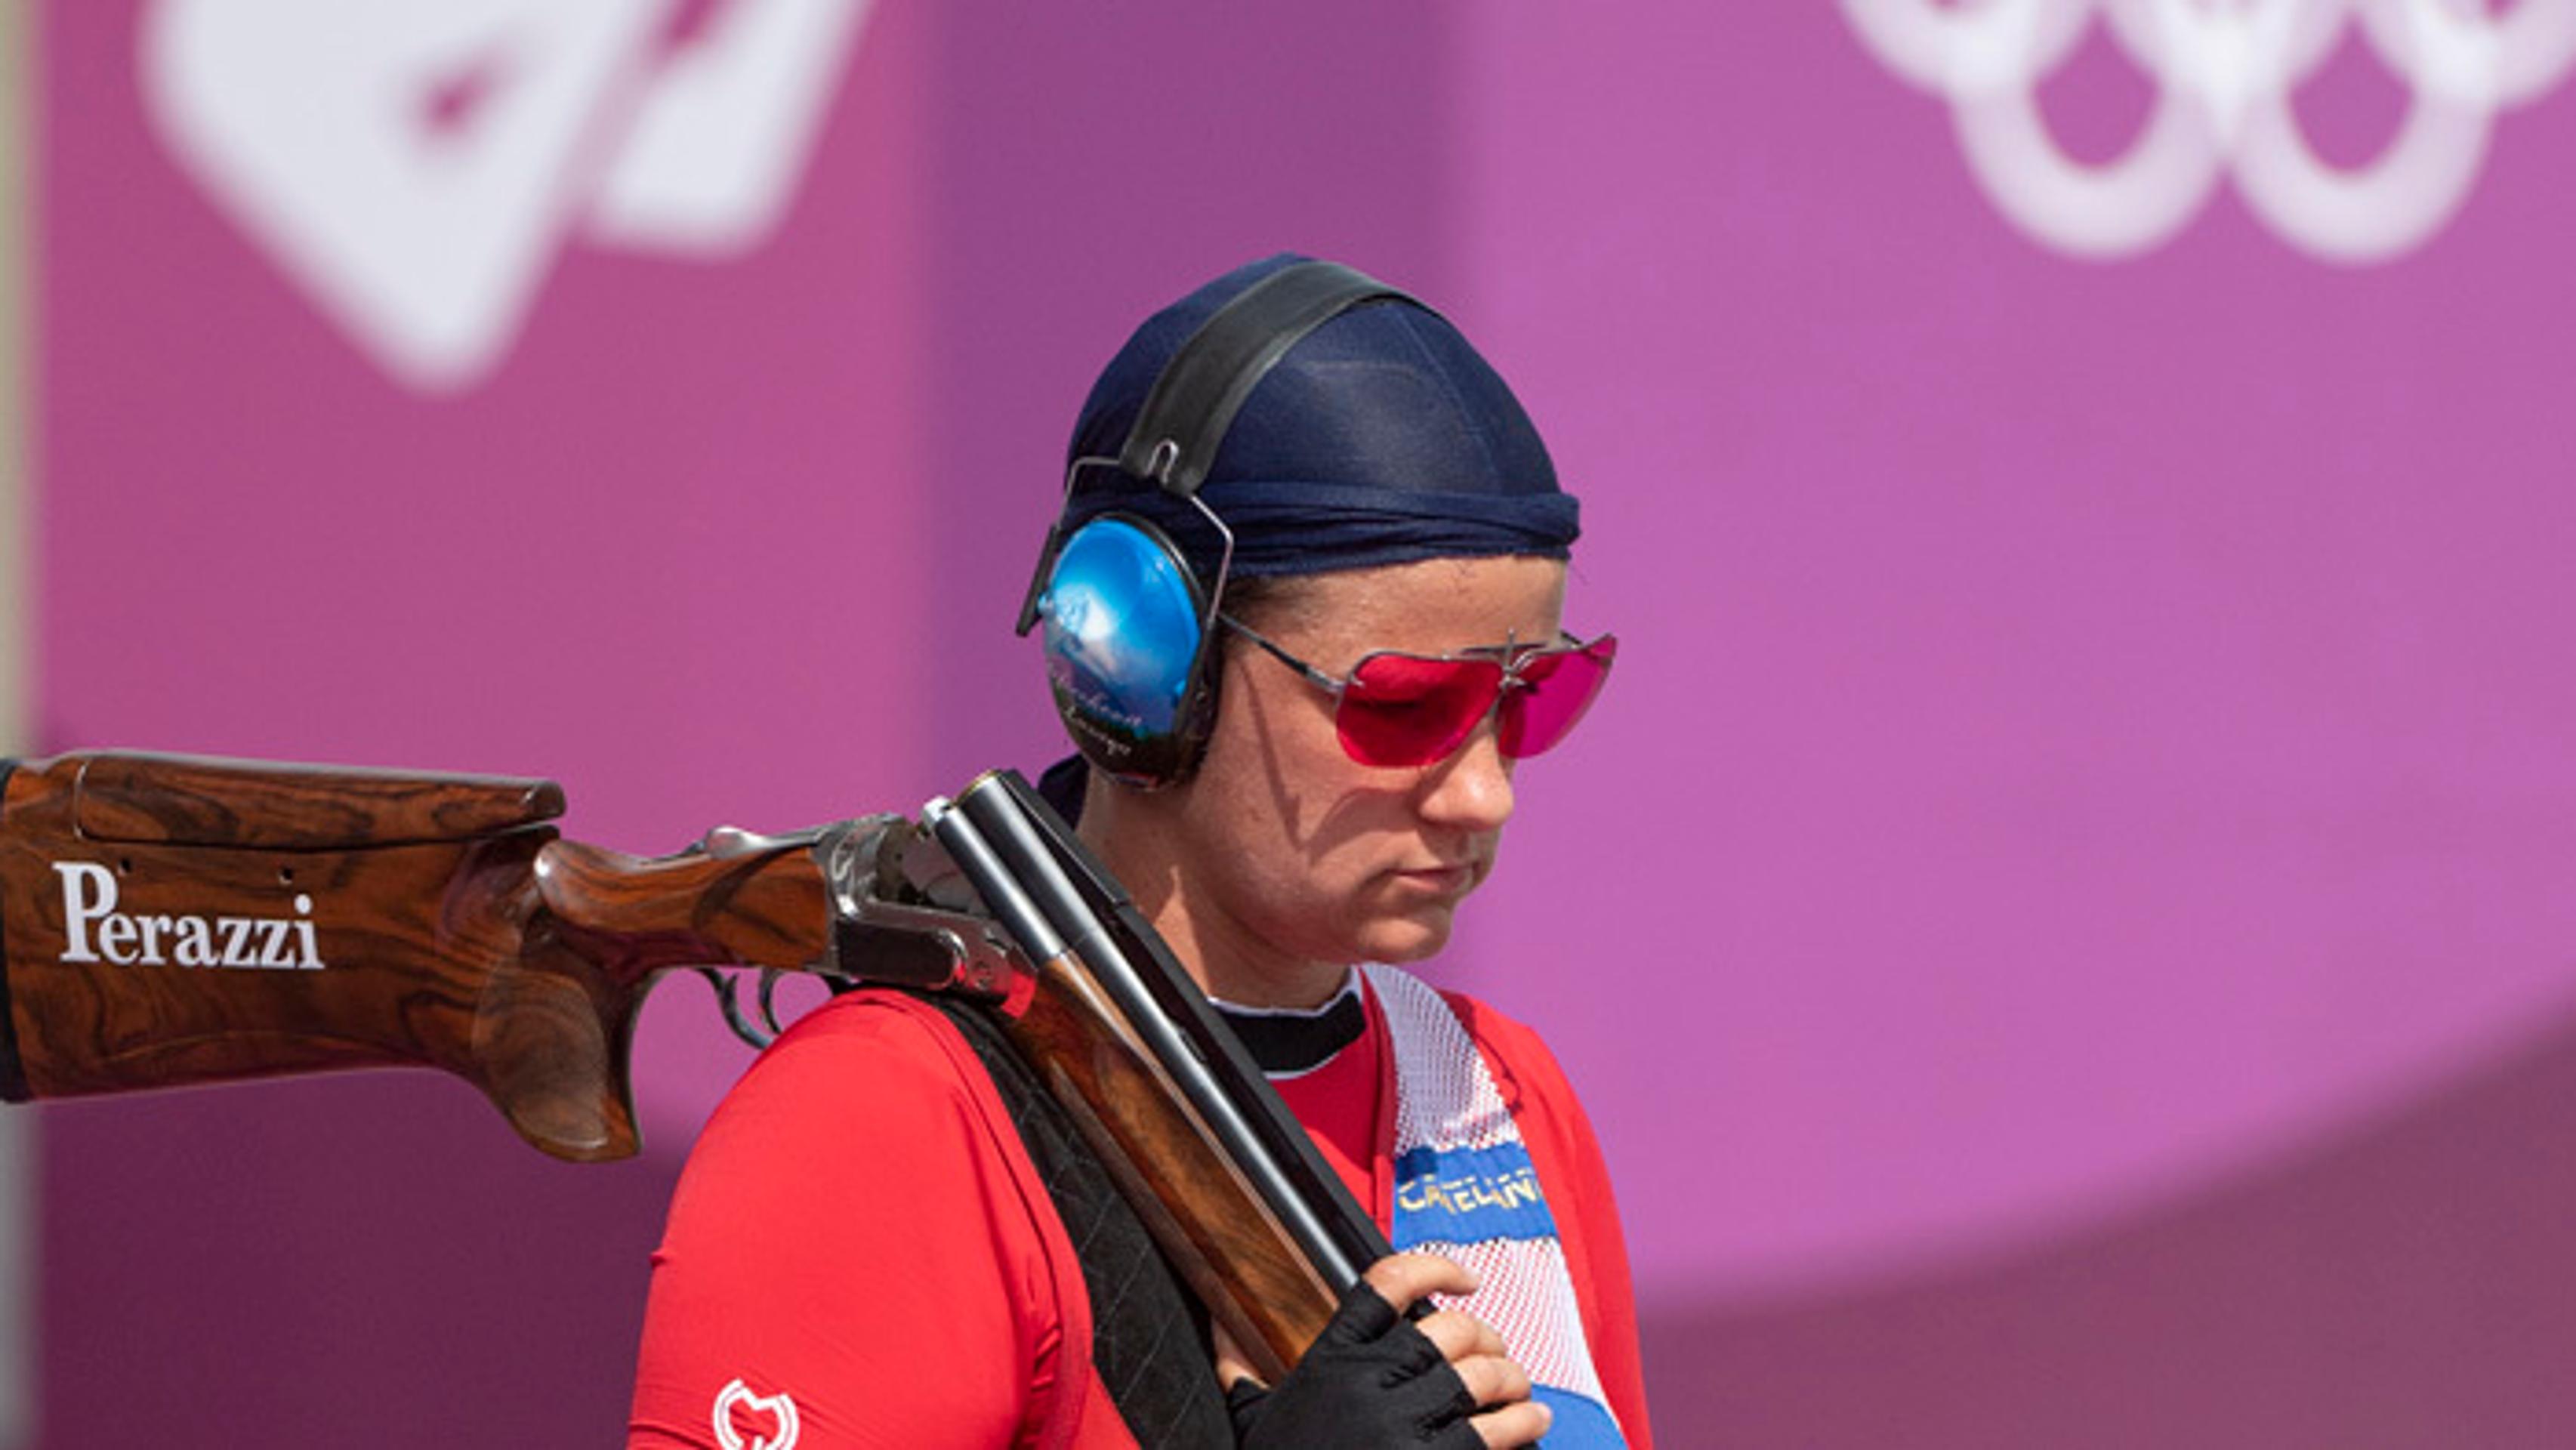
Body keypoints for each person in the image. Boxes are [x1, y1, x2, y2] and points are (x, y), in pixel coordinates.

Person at [628, 255, 1651, 1448]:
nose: (1484, 794)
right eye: (1404, 707)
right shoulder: (880, 1121)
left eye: (1533, 697)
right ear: (1146, 665)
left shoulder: (1495, 1096)